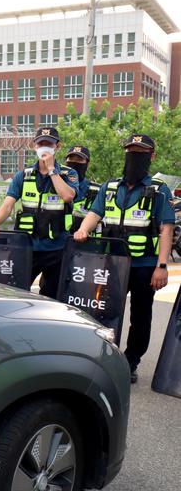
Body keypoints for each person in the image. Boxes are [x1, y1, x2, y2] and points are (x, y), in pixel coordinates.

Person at [73, 133, 174, 383]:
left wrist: (162, 266)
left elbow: (166, 229)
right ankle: (104, 355)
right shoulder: (109, 187)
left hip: (143, 264)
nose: (134, 156)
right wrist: (83, 230)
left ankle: (131, 361)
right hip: (111, 263)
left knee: (141, 315)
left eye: (140, 152)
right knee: (104, 311)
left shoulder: (158, 190)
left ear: (152, 156)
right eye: (131, 151)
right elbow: (95, 214)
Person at [0, 127, 79, 297]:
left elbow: (67, 196)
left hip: (56, 248)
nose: (44, 147)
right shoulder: (23, 175)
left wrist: (52, 171)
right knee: (17, 293)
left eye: (49, 144)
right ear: (34, 146)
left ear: (57, 146)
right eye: (41, 143)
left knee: (52, 297)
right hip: (27, 247)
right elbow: (8, 204)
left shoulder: (68, 173)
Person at [65, 145, 100, 234]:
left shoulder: (97, 191)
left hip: (84, 244)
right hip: (56, 243)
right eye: (71, 159)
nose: (74, 162)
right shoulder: (55, 186)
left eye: (79, 160)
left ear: (88, 164)